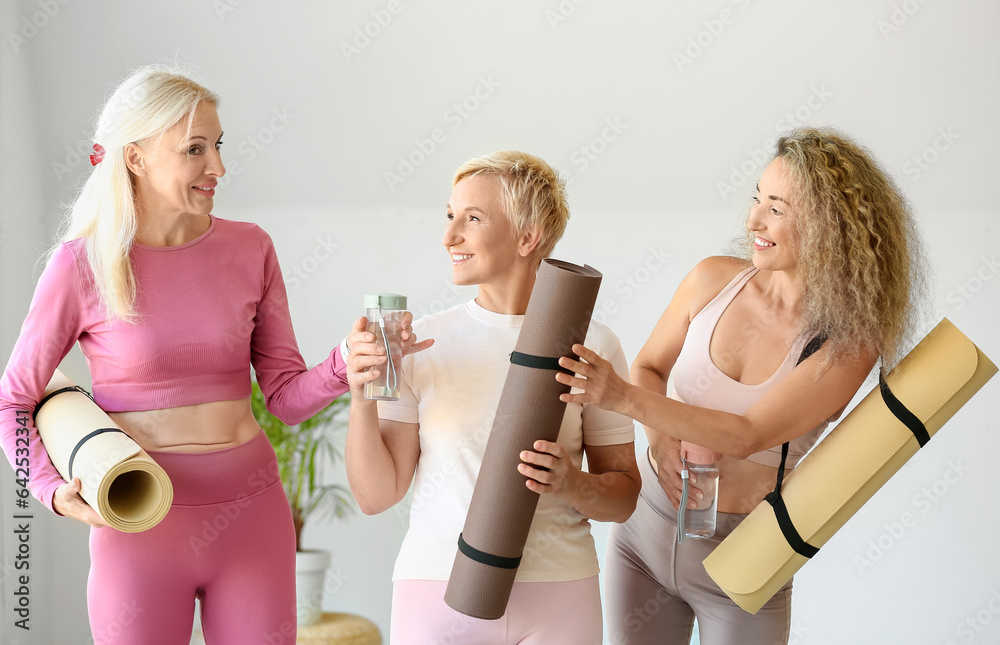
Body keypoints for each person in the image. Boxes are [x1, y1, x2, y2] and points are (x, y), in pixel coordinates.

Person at [0, 66, 418, 644]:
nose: (217, 167)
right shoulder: (81, 265)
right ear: (135, 157)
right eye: (195, 149)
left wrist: (347, 361)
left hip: (251, 519)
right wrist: (50, 489)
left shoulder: (251, 249)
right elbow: (12, 399)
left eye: (218, 146)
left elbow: (286, 401)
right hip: (137, 525)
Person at [555, 128, 925, 645]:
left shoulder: (847, 343)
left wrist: (618, 397)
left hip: (745, 556)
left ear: (828, 226)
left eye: (777, 208)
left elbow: (748, 433)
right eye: (757, 199)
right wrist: (659, 446)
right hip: (643, 535)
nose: (753, 220)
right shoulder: (711, 280)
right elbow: (651, 367)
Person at [344, 150, 641, 645]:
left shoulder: (594, 343)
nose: (449, 235)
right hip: (437, 588)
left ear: (527, 237)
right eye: (449, 215)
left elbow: (624, 497)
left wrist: (572, 484)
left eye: (472, 218)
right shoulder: (422, 343)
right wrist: (361, 398)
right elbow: (376, 496)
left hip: (558, 590)